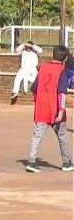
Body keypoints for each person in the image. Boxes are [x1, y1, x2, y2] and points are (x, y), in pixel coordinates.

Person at [25, 45, 74, 173]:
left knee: (37, 136)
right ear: (64, 58)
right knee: (62, 136)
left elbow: (34, 88)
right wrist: (61, 110)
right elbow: (61, 93)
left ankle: (31, 161)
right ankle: (66, 162)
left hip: (42, 107)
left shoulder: (42, 68)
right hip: (55, 109)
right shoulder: (62, 70)